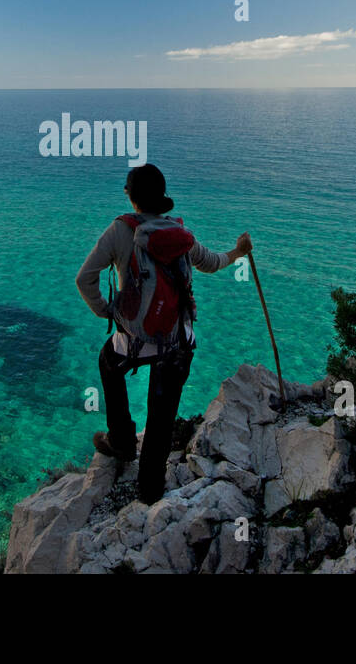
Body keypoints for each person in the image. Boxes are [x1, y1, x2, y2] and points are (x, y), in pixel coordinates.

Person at [75, 163, 252, 503]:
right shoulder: (179, 235)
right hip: (178, 342)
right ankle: (150, 489)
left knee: (109, 361)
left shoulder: (119, 231)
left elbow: (85, 279)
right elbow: (213, 262)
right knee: (161, 414)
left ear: (130, 196)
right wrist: (239, 251)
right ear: (163, 199)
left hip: (136, 338)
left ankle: (122, 442)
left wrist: (107, 311)